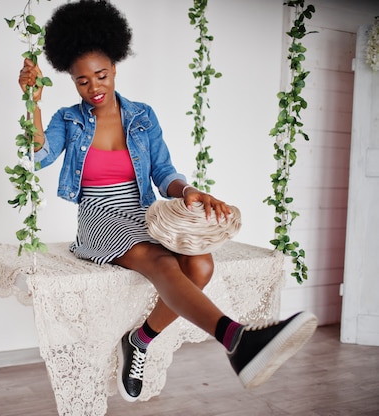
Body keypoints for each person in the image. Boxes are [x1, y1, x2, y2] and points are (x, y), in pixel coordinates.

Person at [18, 0, 317, 403]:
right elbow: (38, 157)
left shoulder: (142, 116)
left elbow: (164, 172)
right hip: (99, 214)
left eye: (101, 75)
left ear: (116, 66)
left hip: (142, 210)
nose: (94, 88)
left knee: (201, 262)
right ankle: (239, 340)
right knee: (160, 262)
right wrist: (32, 102)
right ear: (72, 82)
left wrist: (188, 191)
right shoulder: (68, 120)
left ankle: (139, 340)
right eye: (82, 81)